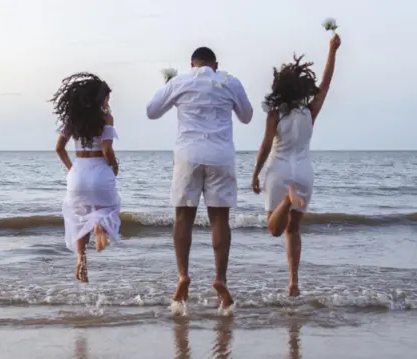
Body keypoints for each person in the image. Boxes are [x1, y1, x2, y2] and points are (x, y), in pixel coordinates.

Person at [146, 47, 253, 310]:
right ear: (215, 65)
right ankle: (220, 279)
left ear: (191, 64)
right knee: (220, 219)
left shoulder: (181, 81)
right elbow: (247, 117)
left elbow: (152, 111)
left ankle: (183, 275)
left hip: (188, 155)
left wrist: (167, 87)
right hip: (221, 156)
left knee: (183, 216)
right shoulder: (229, 81)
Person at [251, 34, 341, 296]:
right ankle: (293, 281)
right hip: (303, 173)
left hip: (279, 172)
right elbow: (326, 82)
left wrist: (256, 173)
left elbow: (266, 145)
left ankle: (287, 201)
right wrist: (332, 51)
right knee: (294, 229)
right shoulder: (310, 111)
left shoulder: (275, 113)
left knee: (274, 229)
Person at [52, 72, 121, 283]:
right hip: (99, 169)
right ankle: (100, 225)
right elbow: (107, 148)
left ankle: (81, 259)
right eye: (107, 98)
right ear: (100, 99)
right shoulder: (106, 118)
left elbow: (59, 148)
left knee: (78, 217)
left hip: (78, 173)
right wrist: (114, 166)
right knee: (110, 208)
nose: (108, 102)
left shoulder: (72, 120)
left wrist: (71, 168)